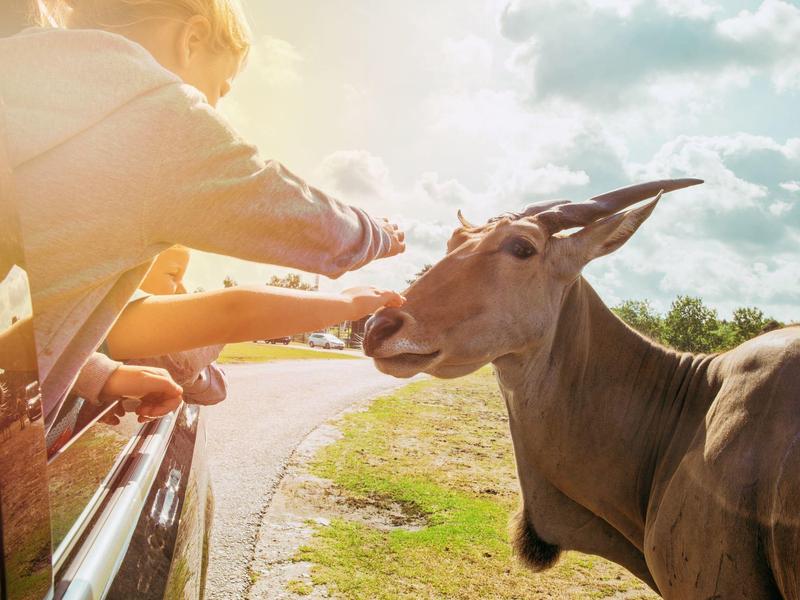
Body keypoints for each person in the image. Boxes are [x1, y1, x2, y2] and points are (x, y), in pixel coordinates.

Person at [0, 0, 406, 424]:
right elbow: (292, 214)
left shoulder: (18, 72)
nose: (216, 106)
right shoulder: (156, 119)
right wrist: (376, 235)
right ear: (190, 40)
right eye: (222, 87)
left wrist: (99, 373)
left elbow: (34, 302)